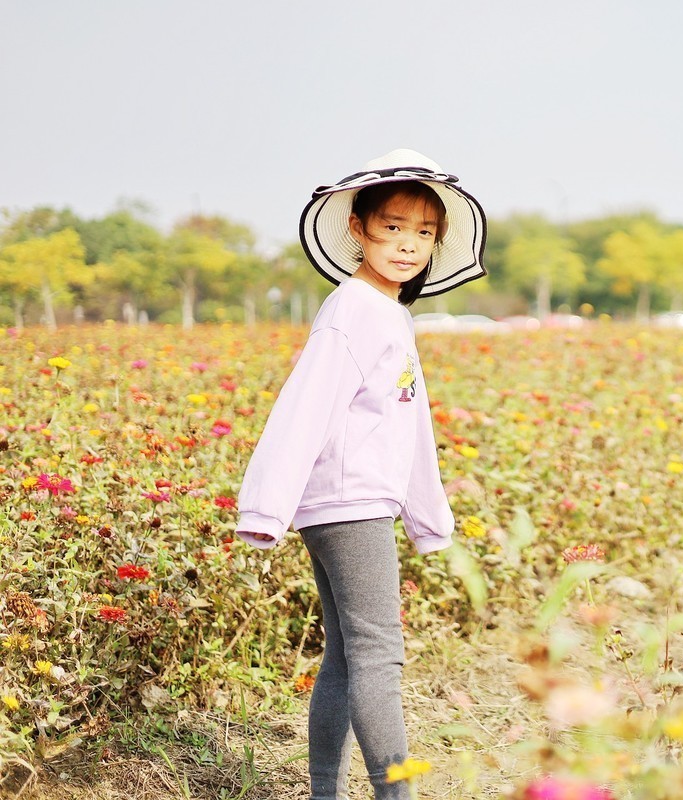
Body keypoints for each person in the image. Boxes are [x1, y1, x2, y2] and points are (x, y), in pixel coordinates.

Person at [235, 148, 487, 800]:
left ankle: (327, 794)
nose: (409, 245)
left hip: (349, 502)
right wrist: (266, 506)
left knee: (349, 657)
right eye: (393, 228)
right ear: (358, 229)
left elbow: (411, 429)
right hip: (348, 505)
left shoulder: (387, 312)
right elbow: (305, 406)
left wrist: (428, 516)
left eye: (424, 233)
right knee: (381, 656)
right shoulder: (354, 309)